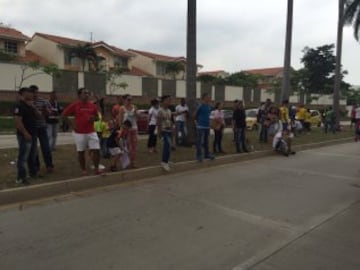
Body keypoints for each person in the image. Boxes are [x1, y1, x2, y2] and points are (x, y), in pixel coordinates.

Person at [62, 87, 103, 175]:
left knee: (96, 150)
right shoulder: (75, 105)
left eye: (88, 93)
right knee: (81, 152)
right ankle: (83, 169)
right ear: (79, 95)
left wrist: (94, 118)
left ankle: (96, 169)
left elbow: (97, 117)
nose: (87, 95)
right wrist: (72, 126)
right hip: (79, 133)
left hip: (91, 132)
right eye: (84, 93)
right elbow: (64, 115)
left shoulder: (92, 105)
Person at [13, 87, 38, 185]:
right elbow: (18, 121)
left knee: (31, 155)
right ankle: (21, 178)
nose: (32, 94)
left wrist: (33, 108)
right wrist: (25, 133)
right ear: (23, 93)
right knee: (23, 157)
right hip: (25, 135)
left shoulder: (29, 105)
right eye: (30, 92)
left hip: (33, 134)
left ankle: (31, 174)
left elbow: (38, 116)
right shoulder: (19, 105)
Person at [30, 85, 54, 174]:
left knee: (46, 147)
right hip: (32, 128)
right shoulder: (28, 102)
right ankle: (36, 166)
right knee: (34, 149)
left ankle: (49, 165)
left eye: (36, 92)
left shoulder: (43, 101)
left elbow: (49, 113)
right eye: (32, 92)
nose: (34, 94)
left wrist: (45, 110)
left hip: (42, 127)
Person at [118, 94, 139, 168]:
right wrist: (122, 129)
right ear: (124, 100)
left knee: (134, 146)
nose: (130, 101)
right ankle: (127, 162)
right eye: (128, 99)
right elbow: (120, 121)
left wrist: (136, 113)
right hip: (126, 130)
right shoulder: (122, 108)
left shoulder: (134, 107)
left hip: (134, 128)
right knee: (127, 146)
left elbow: (137, 117)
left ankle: (133, 162)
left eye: (131, 99)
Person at [195, 93, 215, 162]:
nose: (209, 98)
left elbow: (209, 116)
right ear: (204, 98)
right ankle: (199, 156)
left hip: (207, 126)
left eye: (210, 97)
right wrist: (197, 122)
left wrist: (210, 124)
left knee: (206, 142)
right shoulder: (200, 106)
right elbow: (195, 114)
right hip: (201, 126)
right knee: (199, 142)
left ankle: (207, 154)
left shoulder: (209, 106)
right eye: (208, 97)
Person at [157, 95, 174, 171]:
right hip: (163, 130)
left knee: (169, 146)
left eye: (169, 100)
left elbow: (170, 121)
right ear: (163, 101)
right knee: (167, 144)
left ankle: (167, 160)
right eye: (167, 100)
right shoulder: (160, 110)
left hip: (168, 130)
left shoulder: (169, 111)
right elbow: (159, 122)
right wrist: (159, 132)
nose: (169, 102)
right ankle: (164, 162)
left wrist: (172, 128)